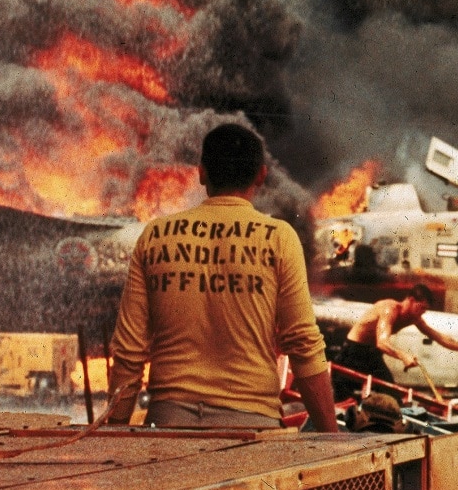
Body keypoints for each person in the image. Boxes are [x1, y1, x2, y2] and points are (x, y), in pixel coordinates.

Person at [106, 124, 338, 432]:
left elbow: (129, 349)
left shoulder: (156, 236)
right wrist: (331, 435)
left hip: (169, 424)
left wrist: (116, 428)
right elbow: (303, 344)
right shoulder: (279, 238)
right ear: (261, 175)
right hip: (252, 428)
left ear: (202, 173)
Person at [331, 284, 458, 402]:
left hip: (372, 356)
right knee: (342, 398)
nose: (423, 312)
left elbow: (441, 338)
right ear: (411, 301)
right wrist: (403, 356)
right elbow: (382, 343)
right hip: (352, 352)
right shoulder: (388, 309)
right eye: (422, 307)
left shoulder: (414, 318)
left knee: (392, 396)